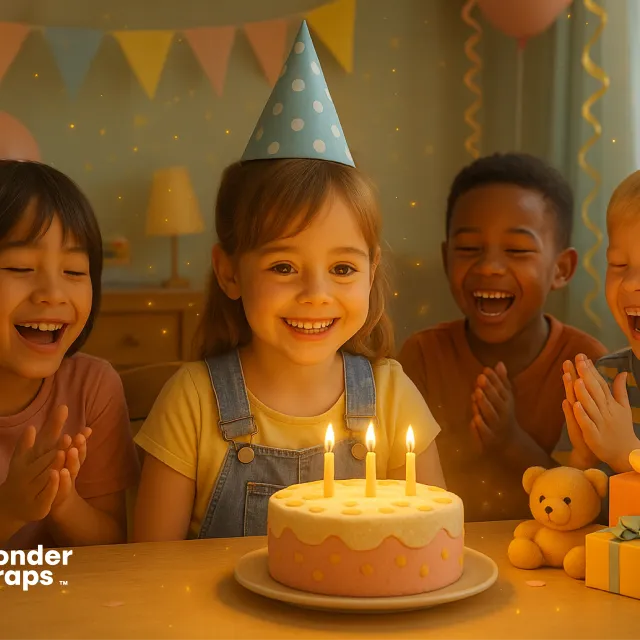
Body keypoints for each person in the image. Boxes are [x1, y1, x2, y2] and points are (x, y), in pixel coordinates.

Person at [133, 22, 445, 542]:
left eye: (343, 268)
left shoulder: (393, 397)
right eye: (283, 267)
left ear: (371, 273)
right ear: (229, 271)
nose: (315, 294)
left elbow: (430, 543)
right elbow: (149, 572)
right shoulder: (191, 403)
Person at [398, 153, 607, 521]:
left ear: (561, 269)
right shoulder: (423, 355)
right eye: (468, 249)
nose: (490, 266)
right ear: (447, 258)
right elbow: (404, 483)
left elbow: (590, 502)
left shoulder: (584, 363)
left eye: (517, 250)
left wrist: (510, 442)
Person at [0, 160, 139, 549]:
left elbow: (111, 545)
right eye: (20, 266)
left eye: (75, 272)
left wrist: (62, 502)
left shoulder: (91, 388)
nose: (53, 293)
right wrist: (10, 508)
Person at [560, 170, 640, 474]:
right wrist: (584, 458)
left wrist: (626, 455)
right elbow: (569, 505)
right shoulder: (603, 380)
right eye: (619, 264)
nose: (631, 282)